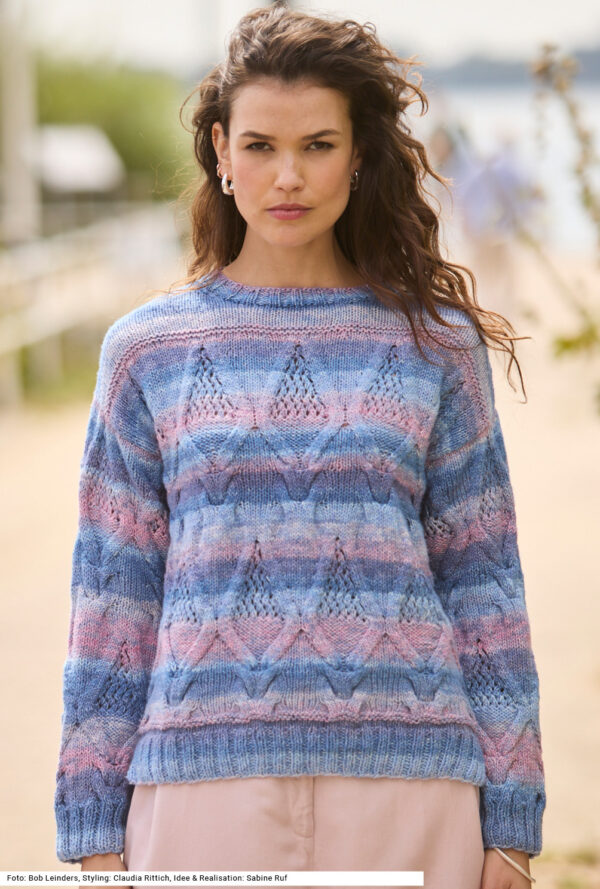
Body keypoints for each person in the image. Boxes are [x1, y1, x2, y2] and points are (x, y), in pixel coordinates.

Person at [53, 5, 546, 888]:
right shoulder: (145, 351)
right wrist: (92, 828)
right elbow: (112, 600)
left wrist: (512, 825)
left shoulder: (436, 345)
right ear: (220, 150)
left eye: (319, 145)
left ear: (358, 155)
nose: (289, 176)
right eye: (260, 146)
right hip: (200, 792)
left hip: (413, 787)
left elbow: (485, 582)